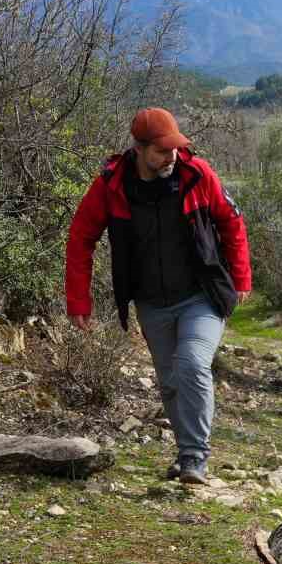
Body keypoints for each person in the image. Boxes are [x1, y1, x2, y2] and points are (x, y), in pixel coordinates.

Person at [65, 107, 251, 483]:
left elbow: (231, 221)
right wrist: (78, 301)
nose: (172, 157)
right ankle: (186, 455)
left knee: (193, 364)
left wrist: (241, 277)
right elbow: (81, 238)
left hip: (201, 294)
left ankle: (197, 455)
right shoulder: (111, 185)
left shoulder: (196, 174)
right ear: (139, 149)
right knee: (168, 380)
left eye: (176, 149)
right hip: (150, 301)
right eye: (163, 151)